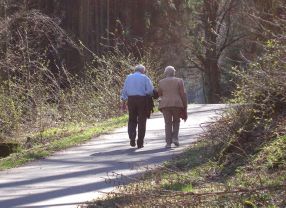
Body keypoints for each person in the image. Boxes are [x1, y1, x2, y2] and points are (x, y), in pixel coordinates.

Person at [121, 64, 154, 149]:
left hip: (131, 100)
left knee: (132, 119)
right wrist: (147, 93)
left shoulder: (128, 77)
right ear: (143, 70)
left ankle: (132, 136)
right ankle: (140, 142)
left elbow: (124, 90)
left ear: (135, 70)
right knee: (142, 121)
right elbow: (150, 90)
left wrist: (123, 101)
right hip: (142, 100)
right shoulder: (145, 78)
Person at [158, 66, 188, 148]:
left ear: (165, 73)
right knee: (176, 121)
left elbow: (159, 94)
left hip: (165, 105)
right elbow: (182, 94)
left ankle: (168, 143)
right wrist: (185, 105)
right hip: (177, 104)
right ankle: (175, 138)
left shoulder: (161, 82)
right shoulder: (179, 81)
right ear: (174, 72)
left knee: (167, 123)